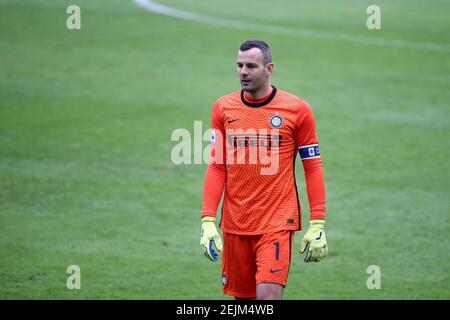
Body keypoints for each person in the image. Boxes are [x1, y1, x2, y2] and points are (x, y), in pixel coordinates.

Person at [200, 39, 328, 300]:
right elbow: (217, 166)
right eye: (239, 65)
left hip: (277, 221)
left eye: (251, 66)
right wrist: (207, 219)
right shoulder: (223, 108)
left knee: (268, 298)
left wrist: (317, 222)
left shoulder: (296, 110)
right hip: (235, 223)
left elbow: (312, 166)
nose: (243, 72)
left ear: (269, 68)